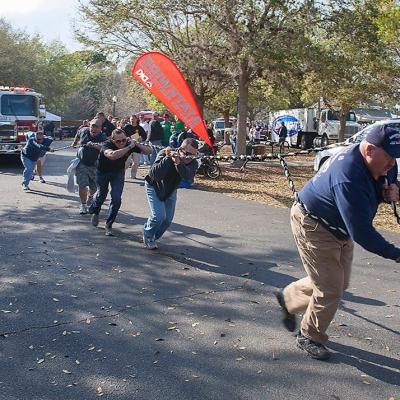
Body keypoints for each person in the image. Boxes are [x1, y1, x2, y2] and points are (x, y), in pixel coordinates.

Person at [276, 124, 400, 361]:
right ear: (371, 150)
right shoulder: (348, 175)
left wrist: (393, 192)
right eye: (389, 156)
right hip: (314, 224)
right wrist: (396, 253)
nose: (393, 164)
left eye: (396, 157)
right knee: (330, 287)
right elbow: (362, 232)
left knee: (338, 284)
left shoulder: (379, 163)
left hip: (339, 226)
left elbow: (385, 185)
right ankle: (310, 336)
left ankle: (289, 297)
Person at [88, 128, 152, 236]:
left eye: (123, 140)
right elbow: (112, 155)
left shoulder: (128, 143)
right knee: (101, 195)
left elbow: (149, 151)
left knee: (116, 198)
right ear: (112, 140)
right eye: (118, 141)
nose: (121, 143)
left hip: (117, 172)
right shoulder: (107, 145)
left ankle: (109, 224)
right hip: (102, 172)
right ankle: (95, 210)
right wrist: (129, 147)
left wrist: (136, 144)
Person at [143, 138, 199, 249]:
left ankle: (154, 237)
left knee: (167, 220)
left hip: (171, 189)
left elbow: (187, 176)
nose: (189, 158)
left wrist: (179, 163)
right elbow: (155, 174)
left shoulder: (193, 162)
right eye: (187, 154)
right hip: (154, 186)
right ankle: (148, 235)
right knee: (159, 216)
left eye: (193, 155)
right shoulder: (165, 153)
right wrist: (168, 158)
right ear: (181, 149)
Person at [75, 119, 107, 214]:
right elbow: (77, 134)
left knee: (94, 188)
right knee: (82, 185)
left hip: (95, 165)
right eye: (92, 126)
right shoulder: (84, 131)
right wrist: (75, 142)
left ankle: (90, 196)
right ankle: (83, 205)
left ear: (100, 128)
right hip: (82, 163)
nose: (94, 128)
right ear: (89, 126)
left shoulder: (103, 137)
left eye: (97, 127)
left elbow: (104, 147)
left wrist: (94, 145)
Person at [123, 115, 147, 179]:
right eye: (131, 119)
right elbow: (122, 135)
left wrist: (141, 138)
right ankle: (121, 174)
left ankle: (133, 175)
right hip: (128, 147)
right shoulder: (126, 127)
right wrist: (126, 138)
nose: (132, 120)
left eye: (133, 119)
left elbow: (144, 136)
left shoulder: (140, 128)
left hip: (137, 147)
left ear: (136, 120)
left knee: (136, 163)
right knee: (127, 163)